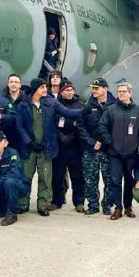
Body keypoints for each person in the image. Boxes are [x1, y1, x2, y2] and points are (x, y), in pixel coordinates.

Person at [15, 78, 85, 216]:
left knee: (45, 178)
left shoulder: (51, 103)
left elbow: (68, 112)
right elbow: (19, 126)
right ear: (35, 89)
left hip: (45, 148)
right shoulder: (23, 104)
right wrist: (29, 142)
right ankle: (23, 204)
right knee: (26, 177)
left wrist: (85, 110)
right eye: (42, 87)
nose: (45, 89)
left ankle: (43, 205)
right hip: (29, 149)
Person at [97, 82, 139, 220]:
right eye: (119, 91)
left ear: (130, 93)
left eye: (124, 91)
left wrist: (137, 141)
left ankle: (128, 206)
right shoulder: (111, 109)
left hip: (131, 154)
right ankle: (118, 208)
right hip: (114, 154)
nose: (121, 94)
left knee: (129, 181)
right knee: (115, 181)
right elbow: (102, 125)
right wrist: (110, 141)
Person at [77, 78, 115, 216]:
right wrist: (91, 141)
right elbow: (80, 125)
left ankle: (107, 204)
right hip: (91, 149)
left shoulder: (114, 105)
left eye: (96, 88)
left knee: (109, 179)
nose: (94, 91)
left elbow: (116, 128)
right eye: (93, 88)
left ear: (105, 89)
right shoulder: (88, 106)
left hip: (108, 150)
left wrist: (103, 141)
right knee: (90, 179)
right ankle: (93, 205)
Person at [49, 79, 86, 212]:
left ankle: (79, 202)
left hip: (75, 147)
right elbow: (51, 123)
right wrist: (61, 136)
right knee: (57, 176)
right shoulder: (55, 105)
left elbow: (82, 125)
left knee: (77, 176)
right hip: (60, 147)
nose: (70, 92)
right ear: (61, 92)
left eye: (72, 90)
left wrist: (72, 136)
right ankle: (57, 201)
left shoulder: (80, 105)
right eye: (67, 90)